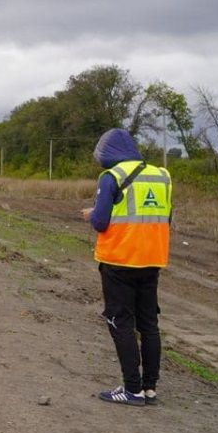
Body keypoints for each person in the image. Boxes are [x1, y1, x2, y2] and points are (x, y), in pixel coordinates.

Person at [81, 128, 172, 407]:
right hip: (152, 259)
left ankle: (131, 389)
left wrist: (90, 213)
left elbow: (100, 221)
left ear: (107, 154)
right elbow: (165, 216)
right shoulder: (162, 176)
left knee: (120, 322)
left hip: (119, 260)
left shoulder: (112, 177)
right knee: (149, 324)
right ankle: (149, 388)